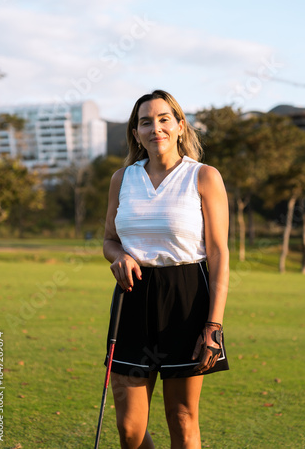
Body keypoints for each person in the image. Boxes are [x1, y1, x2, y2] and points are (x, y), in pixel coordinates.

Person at [103, 89, 229, 449]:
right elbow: (109, 239)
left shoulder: (204, 176)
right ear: (136, 132)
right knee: (129, 428)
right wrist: (119, 256)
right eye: (145, 121)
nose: (155, 127)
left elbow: (219, 253)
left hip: (187, 297)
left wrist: (214, 326)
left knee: (182, 418)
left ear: (179, 126)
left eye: (163, 119)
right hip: (132, 296)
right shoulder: (122, 179)